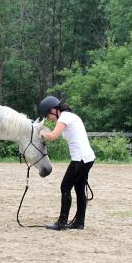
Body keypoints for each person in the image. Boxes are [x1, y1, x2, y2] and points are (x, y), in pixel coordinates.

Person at [39, 96, 95, 231]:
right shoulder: (71, 116)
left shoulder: (64, 117)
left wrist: (41, 133)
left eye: (48, 115)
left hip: (79, 159)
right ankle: (79, 222)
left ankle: (62, 222)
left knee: (65, 187)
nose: (49, 118)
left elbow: (53, 136)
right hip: (87, 158)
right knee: (79, 189)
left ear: (54, 110)